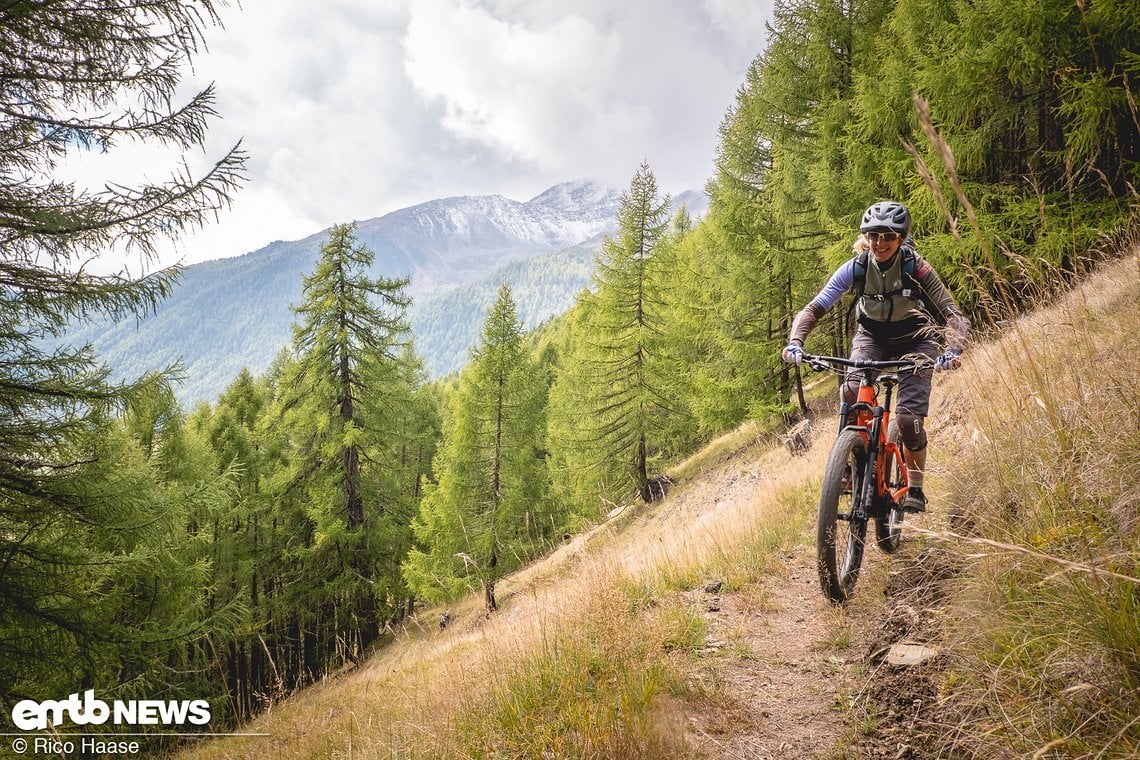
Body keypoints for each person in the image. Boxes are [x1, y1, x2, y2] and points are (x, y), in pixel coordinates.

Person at [781, 201, 969, 512]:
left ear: (901, 238)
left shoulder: (917, 268)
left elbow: (953, 315)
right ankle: (845, 464)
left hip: (916, 341)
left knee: (908, 420)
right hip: (871, 337)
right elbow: (816, 306)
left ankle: (916, 487)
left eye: (888, 237)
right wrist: (795, 342)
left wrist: (952, 348)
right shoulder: (856, 267)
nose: (879, 243)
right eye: (873, 236)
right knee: (853, 391)